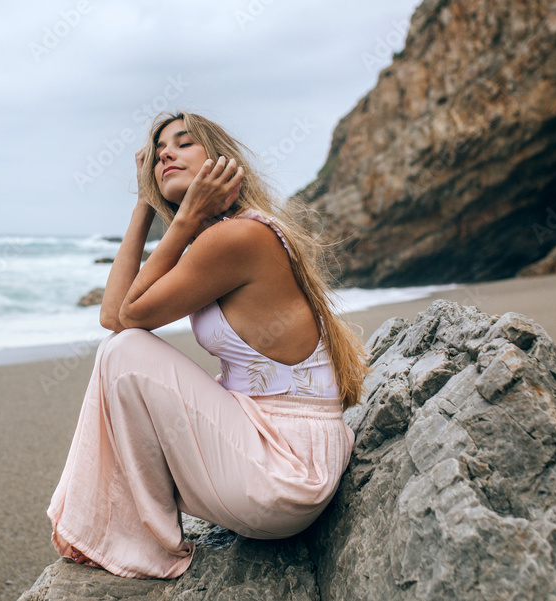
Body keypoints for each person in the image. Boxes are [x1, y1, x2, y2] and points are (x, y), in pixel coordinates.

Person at [45, 110, 370, 580]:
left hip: (288, 471)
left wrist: (181, 221)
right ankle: (133, 530)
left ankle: (149, 543)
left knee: (122, 354)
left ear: (221, 162)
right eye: (158, 153)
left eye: (183, 143)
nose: (165, 155)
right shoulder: (218, 236)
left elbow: (128, 320)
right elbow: (112, 315)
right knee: (120, 348)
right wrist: (143, 205)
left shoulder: (238, 236)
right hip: (275, 451)